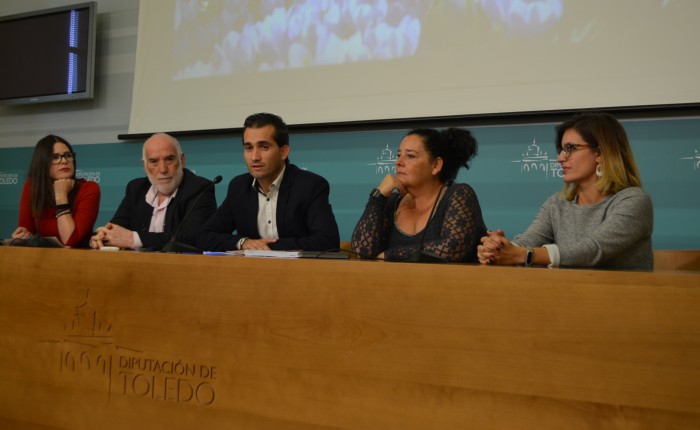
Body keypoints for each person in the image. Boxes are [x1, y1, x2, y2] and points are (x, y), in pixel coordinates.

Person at [477, 112, 653, 270]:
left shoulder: (634, 201)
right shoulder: (556, 204)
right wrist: (497, 248)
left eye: (570, 148)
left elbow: (593, 250)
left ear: (600, 153)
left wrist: (523, 254)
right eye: (561, 150)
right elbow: (527, 242)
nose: (560, 158)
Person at [197, 113, 340, 252]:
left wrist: (263, 248)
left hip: (299, 273)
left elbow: (327, 241)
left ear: (283, 152)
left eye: (264, 147)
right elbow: (205, 236)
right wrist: (243, 243)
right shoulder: (239, 187)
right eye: (248, 148)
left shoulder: (310, 186)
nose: (254, 157)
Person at [351, 127, 487, 262]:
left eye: (410, 156)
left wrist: (389, 255)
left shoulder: (458, 194)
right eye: (398, 155)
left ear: (436, 165)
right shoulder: (390, 202)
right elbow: (362, 251)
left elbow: (452, 249)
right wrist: (378, 197)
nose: (399, 162)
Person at [90, 133, 217, 250]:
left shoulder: (200, 188)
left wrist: (134, 239)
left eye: (169, 159)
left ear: (182, 160)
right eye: (153, 161)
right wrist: (103, 236)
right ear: (145, 166)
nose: (162, 169)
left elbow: (194, 237)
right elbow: (117, 226)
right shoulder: (136, 188)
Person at [12, 135, 100, 247]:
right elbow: (27, 232)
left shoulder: (89, 189)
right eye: (55, 157)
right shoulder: (32, 187)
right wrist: (23, 236)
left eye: (68, 155)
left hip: (77, 259)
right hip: (40, 258)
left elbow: (70, 240)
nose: (64, 161)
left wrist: (61, 196)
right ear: (42, 162)